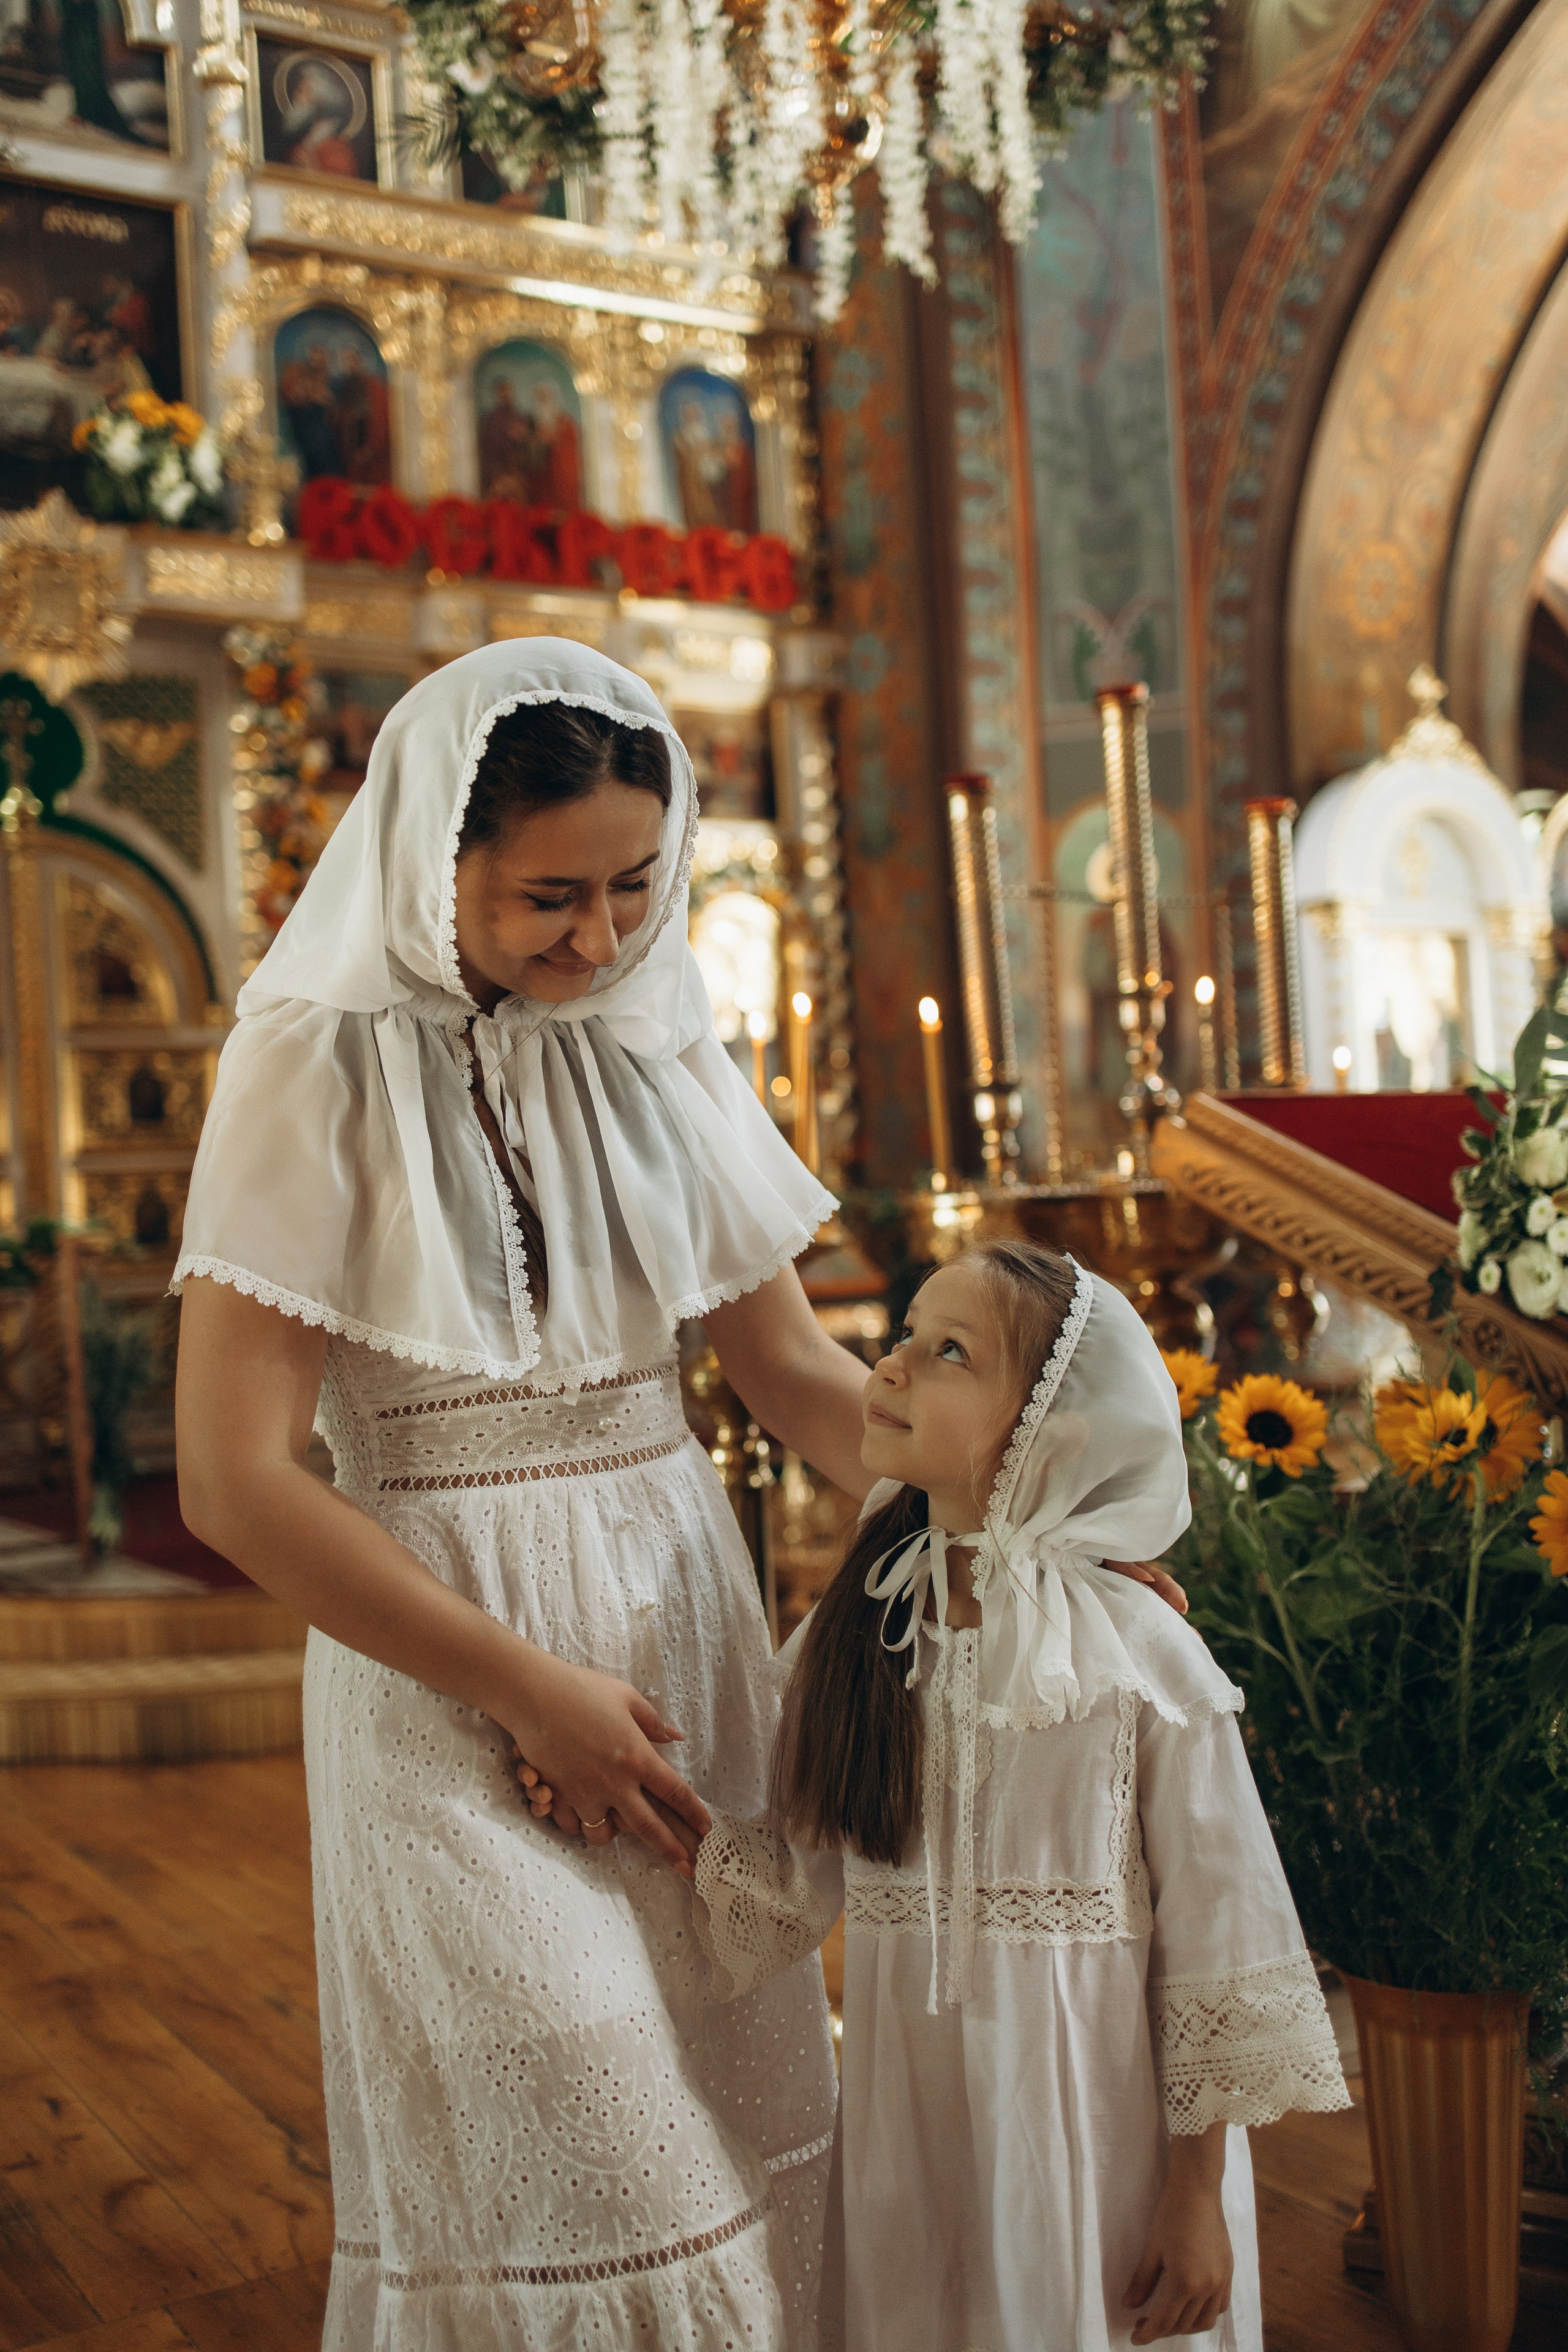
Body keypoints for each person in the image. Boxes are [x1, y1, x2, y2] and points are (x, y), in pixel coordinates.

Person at [631, 1240, 1348, 2351]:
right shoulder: (857, 1634)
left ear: (1049, 1431)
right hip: (909, 2135)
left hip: (1100, 2144)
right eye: (904, 1336)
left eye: (946, 1351)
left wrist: (1197, 2193)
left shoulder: (1140, 1657)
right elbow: (785, 1876)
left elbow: (1221, 1947)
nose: (892, 1366)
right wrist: (626, 1796)